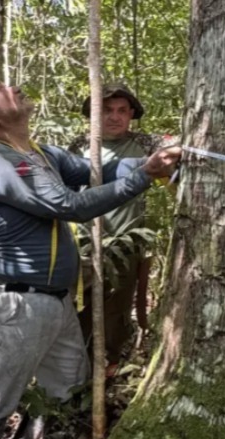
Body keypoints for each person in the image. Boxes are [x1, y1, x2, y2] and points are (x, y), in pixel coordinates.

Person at [0, 75, 181, 439]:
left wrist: (157, 161)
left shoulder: (39, 153)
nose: (13, 86)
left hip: (55, 302)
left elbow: (95, 171)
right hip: (15, 304)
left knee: (68, 384)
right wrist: (144, 175)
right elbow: (67, 204)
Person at [68, 84, 164, 375]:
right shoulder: (78, 147)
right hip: (82, 246)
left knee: (116, 314)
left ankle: (107, 370)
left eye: (122, 111)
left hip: (126, 245)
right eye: (107, 110)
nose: (115, 117)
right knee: (76, 312)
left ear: (132, 115)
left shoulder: (146, 143)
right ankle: (74, 376)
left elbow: (178, 149)